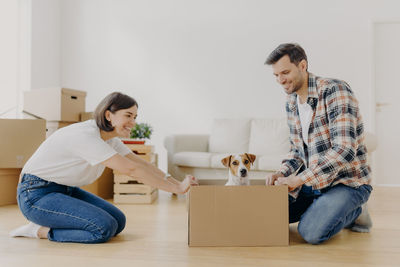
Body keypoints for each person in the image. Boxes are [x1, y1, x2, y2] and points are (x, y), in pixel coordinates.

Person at [10, 92, 197, 243]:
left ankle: (53, 223)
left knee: (119, 221)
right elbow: (131, 169)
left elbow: (141, 163)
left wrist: (177, 183)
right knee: (103, 228)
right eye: (128, 116)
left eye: (135, 117)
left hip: (63, 191)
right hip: (35, 195)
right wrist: (176, 189)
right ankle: (40, 231)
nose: (133, 122)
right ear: (109, 115)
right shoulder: (85, 136)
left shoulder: (110, 139)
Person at [264, 43, 373, 245]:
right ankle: (323, 207)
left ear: (303, 65)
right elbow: (297, 151)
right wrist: (282, 174)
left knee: (311, 232)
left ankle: (356, 209)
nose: (280, 80)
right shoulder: (291, 102)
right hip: (314, 183)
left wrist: (299, 180)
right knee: (271, 214)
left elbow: (344, 150)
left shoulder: (335, 91)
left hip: (346, 183)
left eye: (285, 72)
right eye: (276, 75)